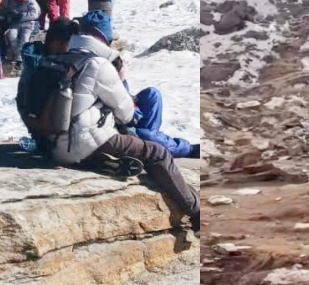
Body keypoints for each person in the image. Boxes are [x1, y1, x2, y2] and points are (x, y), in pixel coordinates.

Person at [19, 13, 199, 230]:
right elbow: (126, 114)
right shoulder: (97, 65)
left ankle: (101, 161)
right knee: (157, 153)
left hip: (52, 147)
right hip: (83, 144)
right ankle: (197, 212)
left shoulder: (50, 62)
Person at [0, 0, 39, 72]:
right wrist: (11, 15)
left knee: (24, 40)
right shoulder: (13, 1)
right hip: (16, 23)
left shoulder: (30, 1)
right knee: (11, 35)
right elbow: (9, 11)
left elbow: (35, 14)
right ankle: (17, 55)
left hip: (28, 24)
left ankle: (20, 60)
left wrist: (21, 15)